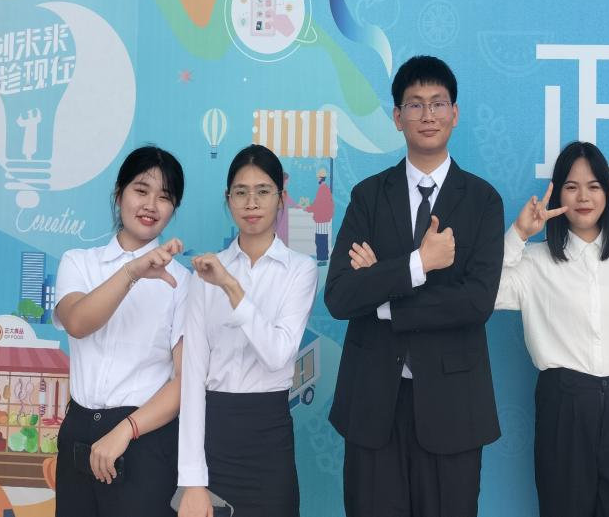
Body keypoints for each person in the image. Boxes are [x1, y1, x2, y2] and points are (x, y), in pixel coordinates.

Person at [326, 55, 504, 517]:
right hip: (372, 404)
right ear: (397, 117)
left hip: (453, 407)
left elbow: (476, 301)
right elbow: (341, 295)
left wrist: (384, 296)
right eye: (415, 104)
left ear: (454, 114)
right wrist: (418, 264)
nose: (428, 115)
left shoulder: (483, 200)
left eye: (438, 103)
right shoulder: (368, 196)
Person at [498, 141, 609, 517]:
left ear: (607, 194)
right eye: (572, 186)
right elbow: (487, 293)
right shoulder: (535, 261)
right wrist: (518, 234)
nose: (583, 197)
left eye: (594, 186)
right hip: (563, 402)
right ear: (557, 193)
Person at [177, 144, 317, 517]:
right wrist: (192, 480)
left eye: (263, 191)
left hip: (269, 433)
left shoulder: (300, 270)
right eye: (241, 192)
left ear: (281, 198)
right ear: (228, 200)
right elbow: (192, 377)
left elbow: (277, 354)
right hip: (215, 433)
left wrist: (230, 286)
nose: (251, 203)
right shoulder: (204, 274)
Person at [53, 145, 189, 516]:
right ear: (119, 194)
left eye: (165, 197)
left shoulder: (182, 282)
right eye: (141, 190)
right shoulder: (79, 263)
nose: (151, 205)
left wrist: (126, 430)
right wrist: (132, 271)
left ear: (173, 208)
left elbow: (186, 381)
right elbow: (78, 323)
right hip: (79, 434)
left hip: (144, 438)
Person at [304, 167, 334, 263]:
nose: (317, 179)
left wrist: (308, 208)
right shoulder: (324, 189)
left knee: (321, 239)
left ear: (321, 178)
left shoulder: (323, 189)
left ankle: (322, 258)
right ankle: (322, 258)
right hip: (323, 218)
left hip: (322, 219)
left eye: (318, 177)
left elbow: (318, 204)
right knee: (321, 239)